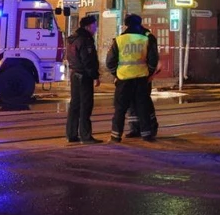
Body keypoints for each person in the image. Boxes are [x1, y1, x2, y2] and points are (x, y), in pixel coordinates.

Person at [106, 13, 159, 142]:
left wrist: (116, 74)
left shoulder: (119, 40)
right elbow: (153, 60)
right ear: (140, 23)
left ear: (126, 24)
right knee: (142, 107)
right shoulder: (146, 39)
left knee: (120, 109)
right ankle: (146, 135)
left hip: (123, 79)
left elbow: (110, 62)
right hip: (141, 79)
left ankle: (115, 136)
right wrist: (149, 72)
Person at [65, 15, 102, 144]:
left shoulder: (73, 39)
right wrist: (95, 76)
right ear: (88, 26)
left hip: (75, 74)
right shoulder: (85, 40)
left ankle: (71, 134)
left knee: (75, 105)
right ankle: (86, 136)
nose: (96, 28)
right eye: (94, 25)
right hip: (84, 76)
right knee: (86, 106)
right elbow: (87, 60)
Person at [126, 22, 160, 139]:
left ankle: (151, 126)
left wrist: (149, 74)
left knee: (144, 102)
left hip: (143, 76)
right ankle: (135, 128)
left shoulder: (148, 37)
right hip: (130, 75)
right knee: (132, 102)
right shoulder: (127, 36)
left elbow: (153, 58)